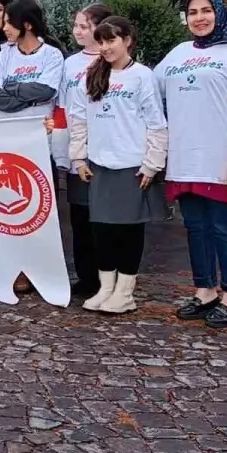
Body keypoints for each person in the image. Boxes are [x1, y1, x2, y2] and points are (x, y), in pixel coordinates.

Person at [156, 0, 227, 329]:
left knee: (223, 227)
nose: (199, 17)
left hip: (219, 158)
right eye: (192, 12)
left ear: (219, 12)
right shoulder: (177, 54)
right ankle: (205, 291)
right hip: (184, 157)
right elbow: (148, 91)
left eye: (206, 10)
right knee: (195, 227)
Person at [69, 16, 168, 315]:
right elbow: (79, 119)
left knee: (128, 231)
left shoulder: (142, 76)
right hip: (100, 165)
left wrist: (152, 164)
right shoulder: (92, 76)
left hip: (132, 167)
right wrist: (78, 156)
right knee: (102, 230)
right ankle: (106, 288)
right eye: (101, 41)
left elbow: (156, 123)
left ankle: (125, 292)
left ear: (127, 40)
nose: (106, 47)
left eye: (111, 40)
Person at [55, 3, 112, 297]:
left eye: (84, 26)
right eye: (76, 25)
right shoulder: (69, 64)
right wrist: (62, 150)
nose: (77, 31)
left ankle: (109, 277)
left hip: (108, 150)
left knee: (104, 216)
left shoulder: (113, 59)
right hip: (79, 150)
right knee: (79, 215)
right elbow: (62, 108)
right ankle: (85, 275)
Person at [0, 0, 64, 120]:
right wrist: (30, 103)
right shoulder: (3, 56)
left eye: (9, 23)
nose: (5, 28)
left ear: (28, 25)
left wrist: (10, 87)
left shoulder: (52, 54)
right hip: (3, 129)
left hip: (38, 129)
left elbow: (45, 91)